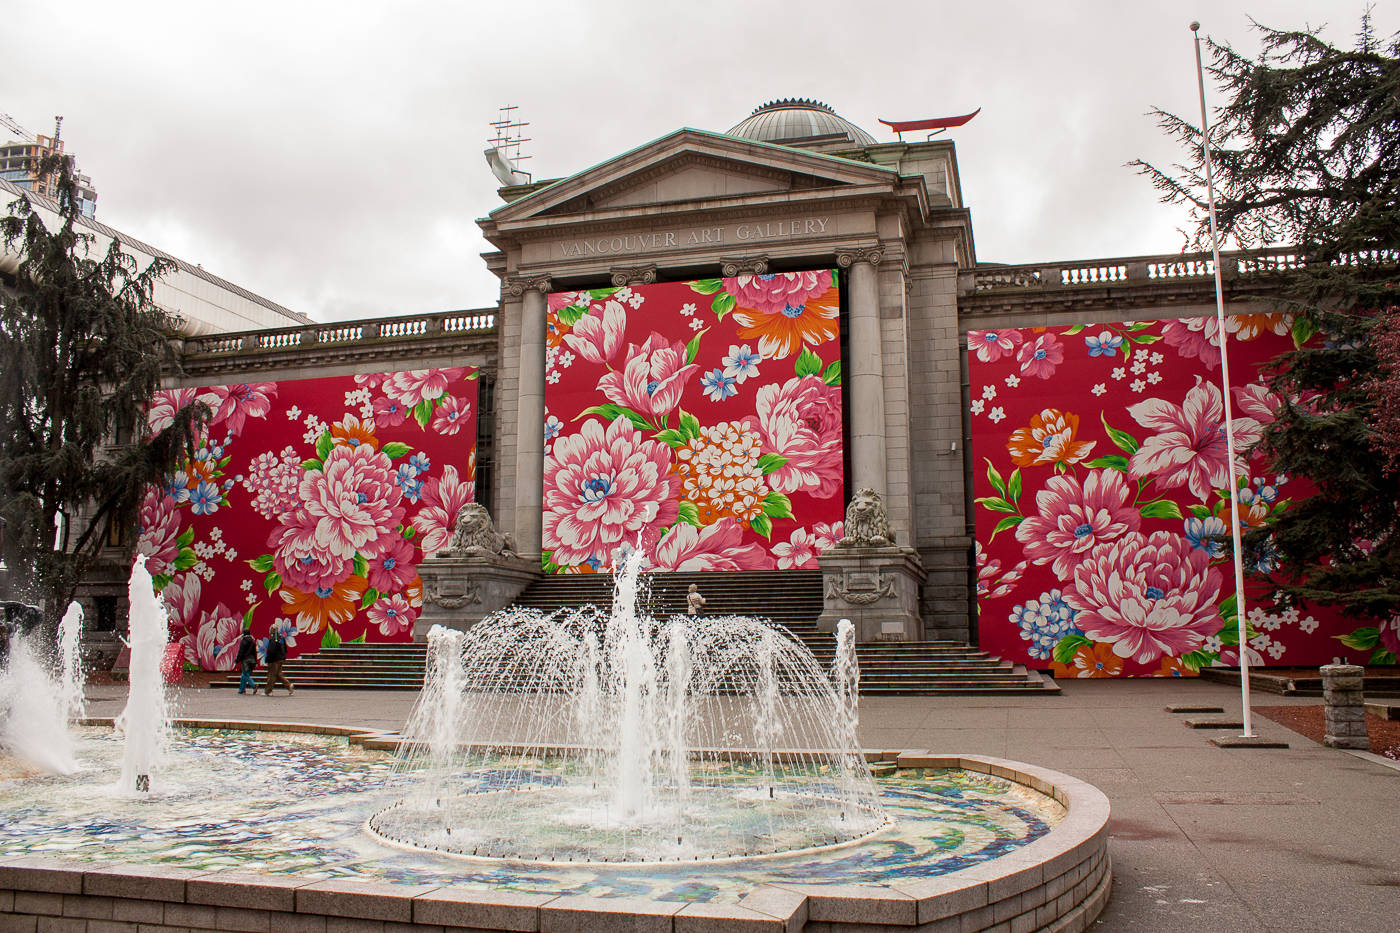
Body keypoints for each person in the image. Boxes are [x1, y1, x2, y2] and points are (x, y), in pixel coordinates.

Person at [264, 624, 294, 696]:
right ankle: (289, 686)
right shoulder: (281, 638)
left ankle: (268, 691)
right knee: (278, 674)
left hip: (274, 660)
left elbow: (271, 650)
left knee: (271, 675)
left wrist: (267, 659)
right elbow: (285, 648)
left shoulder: (272, 639)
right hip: (281, 659)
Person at [234, 628, 257, 694]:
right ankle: (242, 689)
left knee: (245, 675)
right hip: (252, 660)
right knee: (244, 674)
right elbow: (254, 652)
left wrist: (237, 660)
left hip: (246, 660)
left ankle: (253, 685)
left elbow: (241, 652)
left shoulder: (244, 641)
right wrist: (256, 662)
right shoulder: (252, 641)